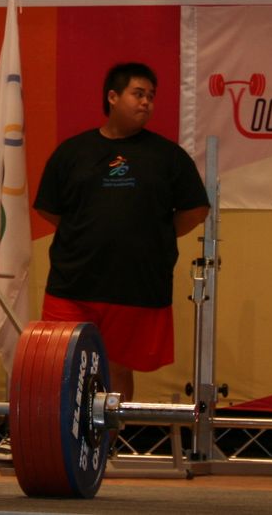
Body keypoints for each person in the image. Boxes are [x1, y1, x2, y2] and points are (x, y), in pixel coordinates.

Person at [33, 62, 209, 407]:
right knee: (61, 365)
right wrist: (89, 231)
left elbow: (196, 210)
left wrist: (153, 234)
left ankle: (109, 436)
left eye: (151, 96)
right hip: (72, 282)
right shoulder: (72, 152)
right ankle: (65, 437)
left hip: (135, 285)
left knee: (115, 368)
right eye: (138, 94)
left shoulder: (168, 156)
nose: (146, 102)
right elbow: (48, 208)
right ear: (112, 97)